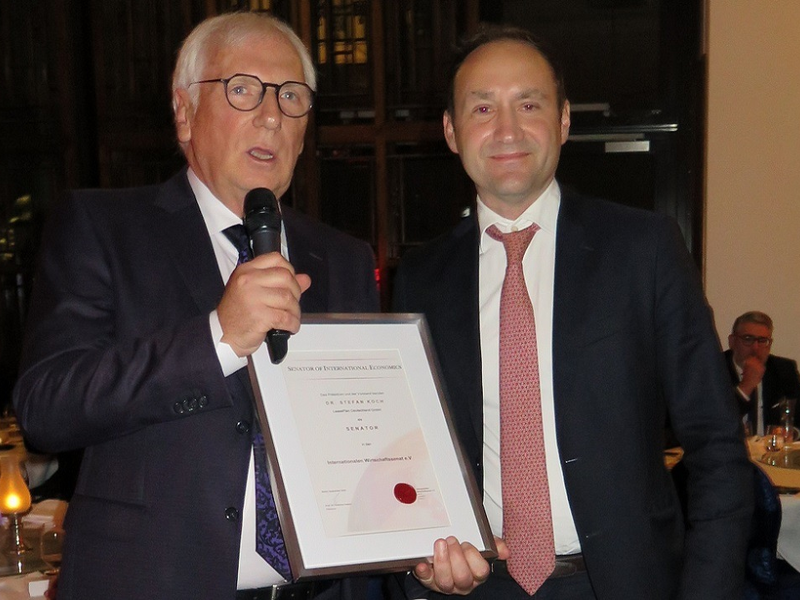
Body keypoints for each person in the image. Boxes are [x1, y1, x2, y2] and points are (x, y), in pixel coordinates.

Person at [13, 12, 378, 600]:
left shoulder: (344, 258)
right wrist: (218, 338)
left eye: (291, 96)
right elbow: (46, 407)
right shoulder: (103, 228)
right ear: (184, 113)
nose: (271, 115)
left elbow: (368, 441)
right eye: (243, 90)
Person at [391, 26, 753, 600]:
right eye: (482, 108)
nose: (506, 130)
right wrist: (421, 569)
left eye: (528, 104)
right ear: (451, 131)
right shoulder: (420, 279)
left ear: (563, 121)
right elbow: (406, 461)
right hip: (480, 588)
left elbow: (717, 448)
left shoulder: (643, 250)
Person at [725, 311, 800, 436]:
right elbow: (714, 420)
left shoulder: (784, 369)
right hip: (729, 447)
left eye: (762, 340)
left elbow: (797, 418)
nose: (755, 348)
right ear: (732, 341)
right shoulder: (714, 369)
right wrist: (746, 386)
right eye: (748, 339)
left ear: (769, 344)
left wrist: (791, 433)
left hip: (772, 447)